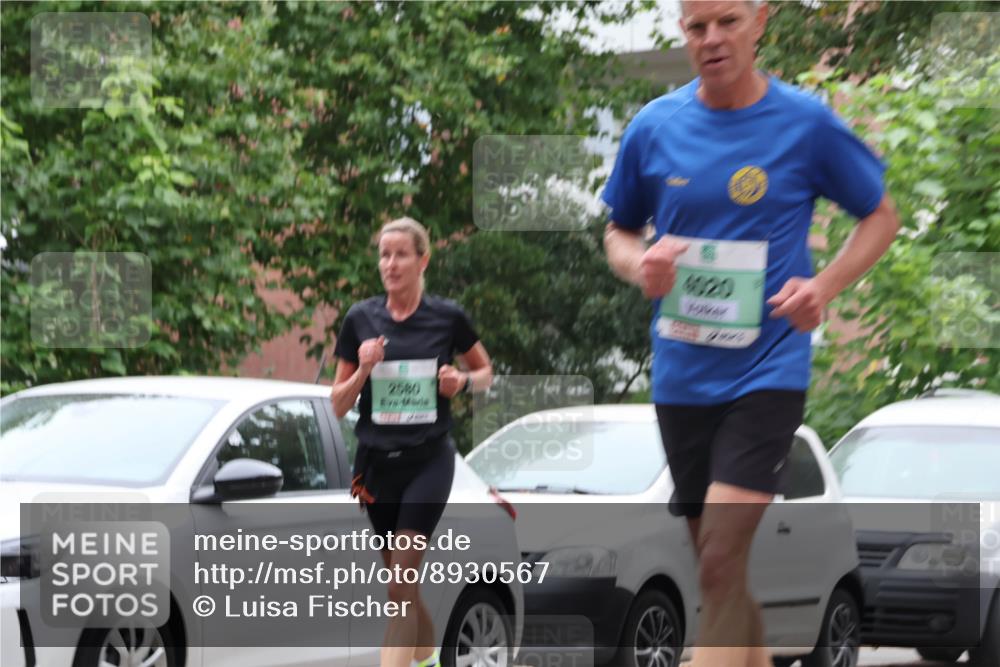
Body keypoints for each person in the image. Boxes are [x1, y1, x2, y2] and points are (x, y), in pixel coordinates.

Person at [601, 1, 900, 666]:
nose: (712, 39)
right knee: (723, 571)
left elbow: (880, 214)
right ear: (682, 30)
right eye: (696, 26)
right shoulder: (655, 127)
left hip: (767, 369)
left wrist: (822, 287)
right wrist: (637, 264)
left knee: (716, 560)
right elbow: (618, 231)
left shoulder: (804, 122)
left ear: (760, 20)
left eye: (728, 21)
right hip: (681, 375)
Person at [331, 217, 493, 667]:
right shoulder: (360, 319)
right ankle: (428, 659)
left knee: (400, 582)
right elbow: (337, 404)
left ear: (423, 260)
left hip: (429, 460)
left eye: (401, 254)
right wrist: (363, 369)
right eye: (384, 255)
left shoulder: (447, 317)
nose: (391, 263)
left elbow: (485, 372)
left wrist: (460, 380)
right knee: (401, 586)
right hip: (375, 466)